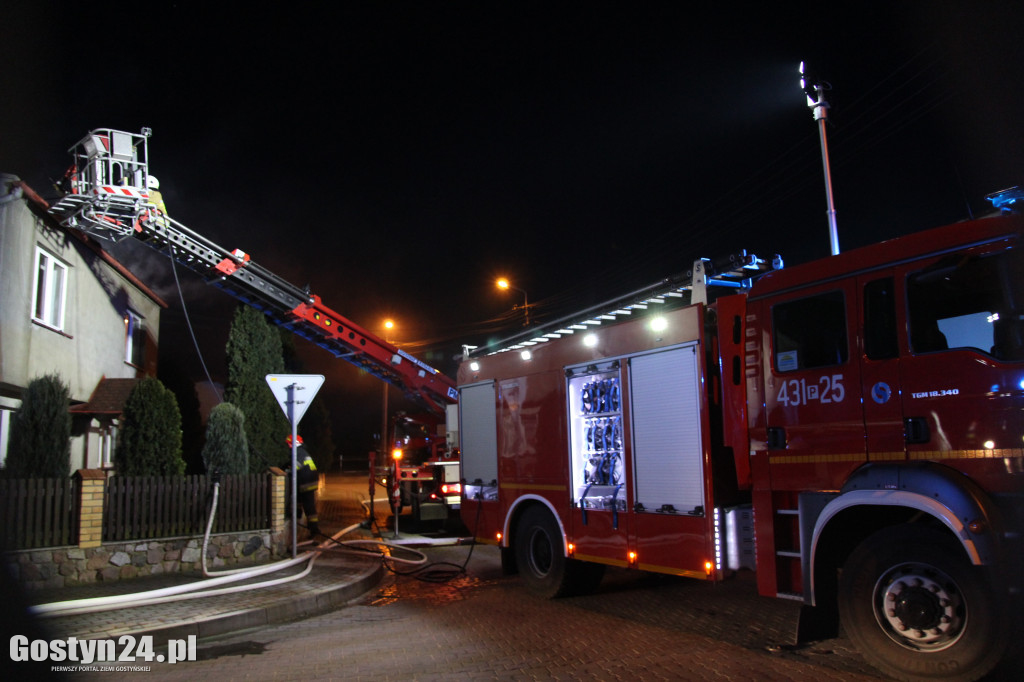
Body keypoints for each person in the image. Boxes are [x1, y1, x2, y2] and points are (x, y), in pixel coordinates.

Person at [286, 434, 320, 539]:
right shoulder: (303, 451)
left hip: (306, 482)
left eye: (289, 443)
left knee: (309, 507)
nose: (288, 446)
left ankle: (314, 529)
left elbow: (296, 466)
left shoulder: (297, 453)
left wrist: (287, 471)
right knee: (300, 500)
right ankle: (297, 515)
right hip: (309, 481)